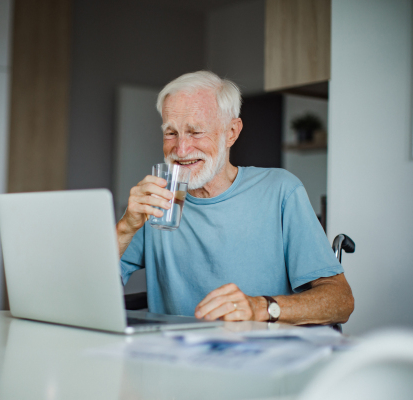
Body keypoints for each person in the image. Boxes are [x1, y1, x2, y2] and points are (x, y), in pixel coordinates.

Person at [117, 71, 354, 325]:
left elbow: (341, 301)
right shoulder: (157, 202)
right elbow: (84, 288)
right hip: (174, 357)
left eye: (195, 132)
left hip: (256, 359)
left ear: (231, 132)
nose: (181, 149)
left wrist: (262, 308)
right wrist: (125, 228)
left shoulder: (280, 191)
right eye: (171, 133)